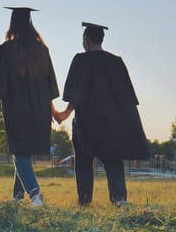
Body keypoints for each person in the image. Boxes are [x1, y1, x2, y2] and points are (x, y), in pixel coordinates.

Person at [0, 7, 59, 207]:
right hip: (40, 109)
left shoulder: (6, 49)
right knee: (24, 152)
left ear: (12, 24)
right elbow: (49, 84)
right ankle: (16, 200)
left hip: (18, 109)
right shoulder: (42, 50)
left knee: (19, 153)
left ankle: (36, 196)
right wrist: (52, 110)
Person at [56, 22, 148, 206]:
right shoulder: (116, 61)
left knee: (83, 161)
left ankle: (84, 201)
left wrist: (65, 113)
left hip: (87, 121)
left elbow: (76, 93)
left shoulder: (81, 60)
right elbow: (127, 95)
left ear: (86, 40)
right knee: (113, 160)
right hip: (113, 122)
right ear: (101, 39)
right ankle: (119, 199)